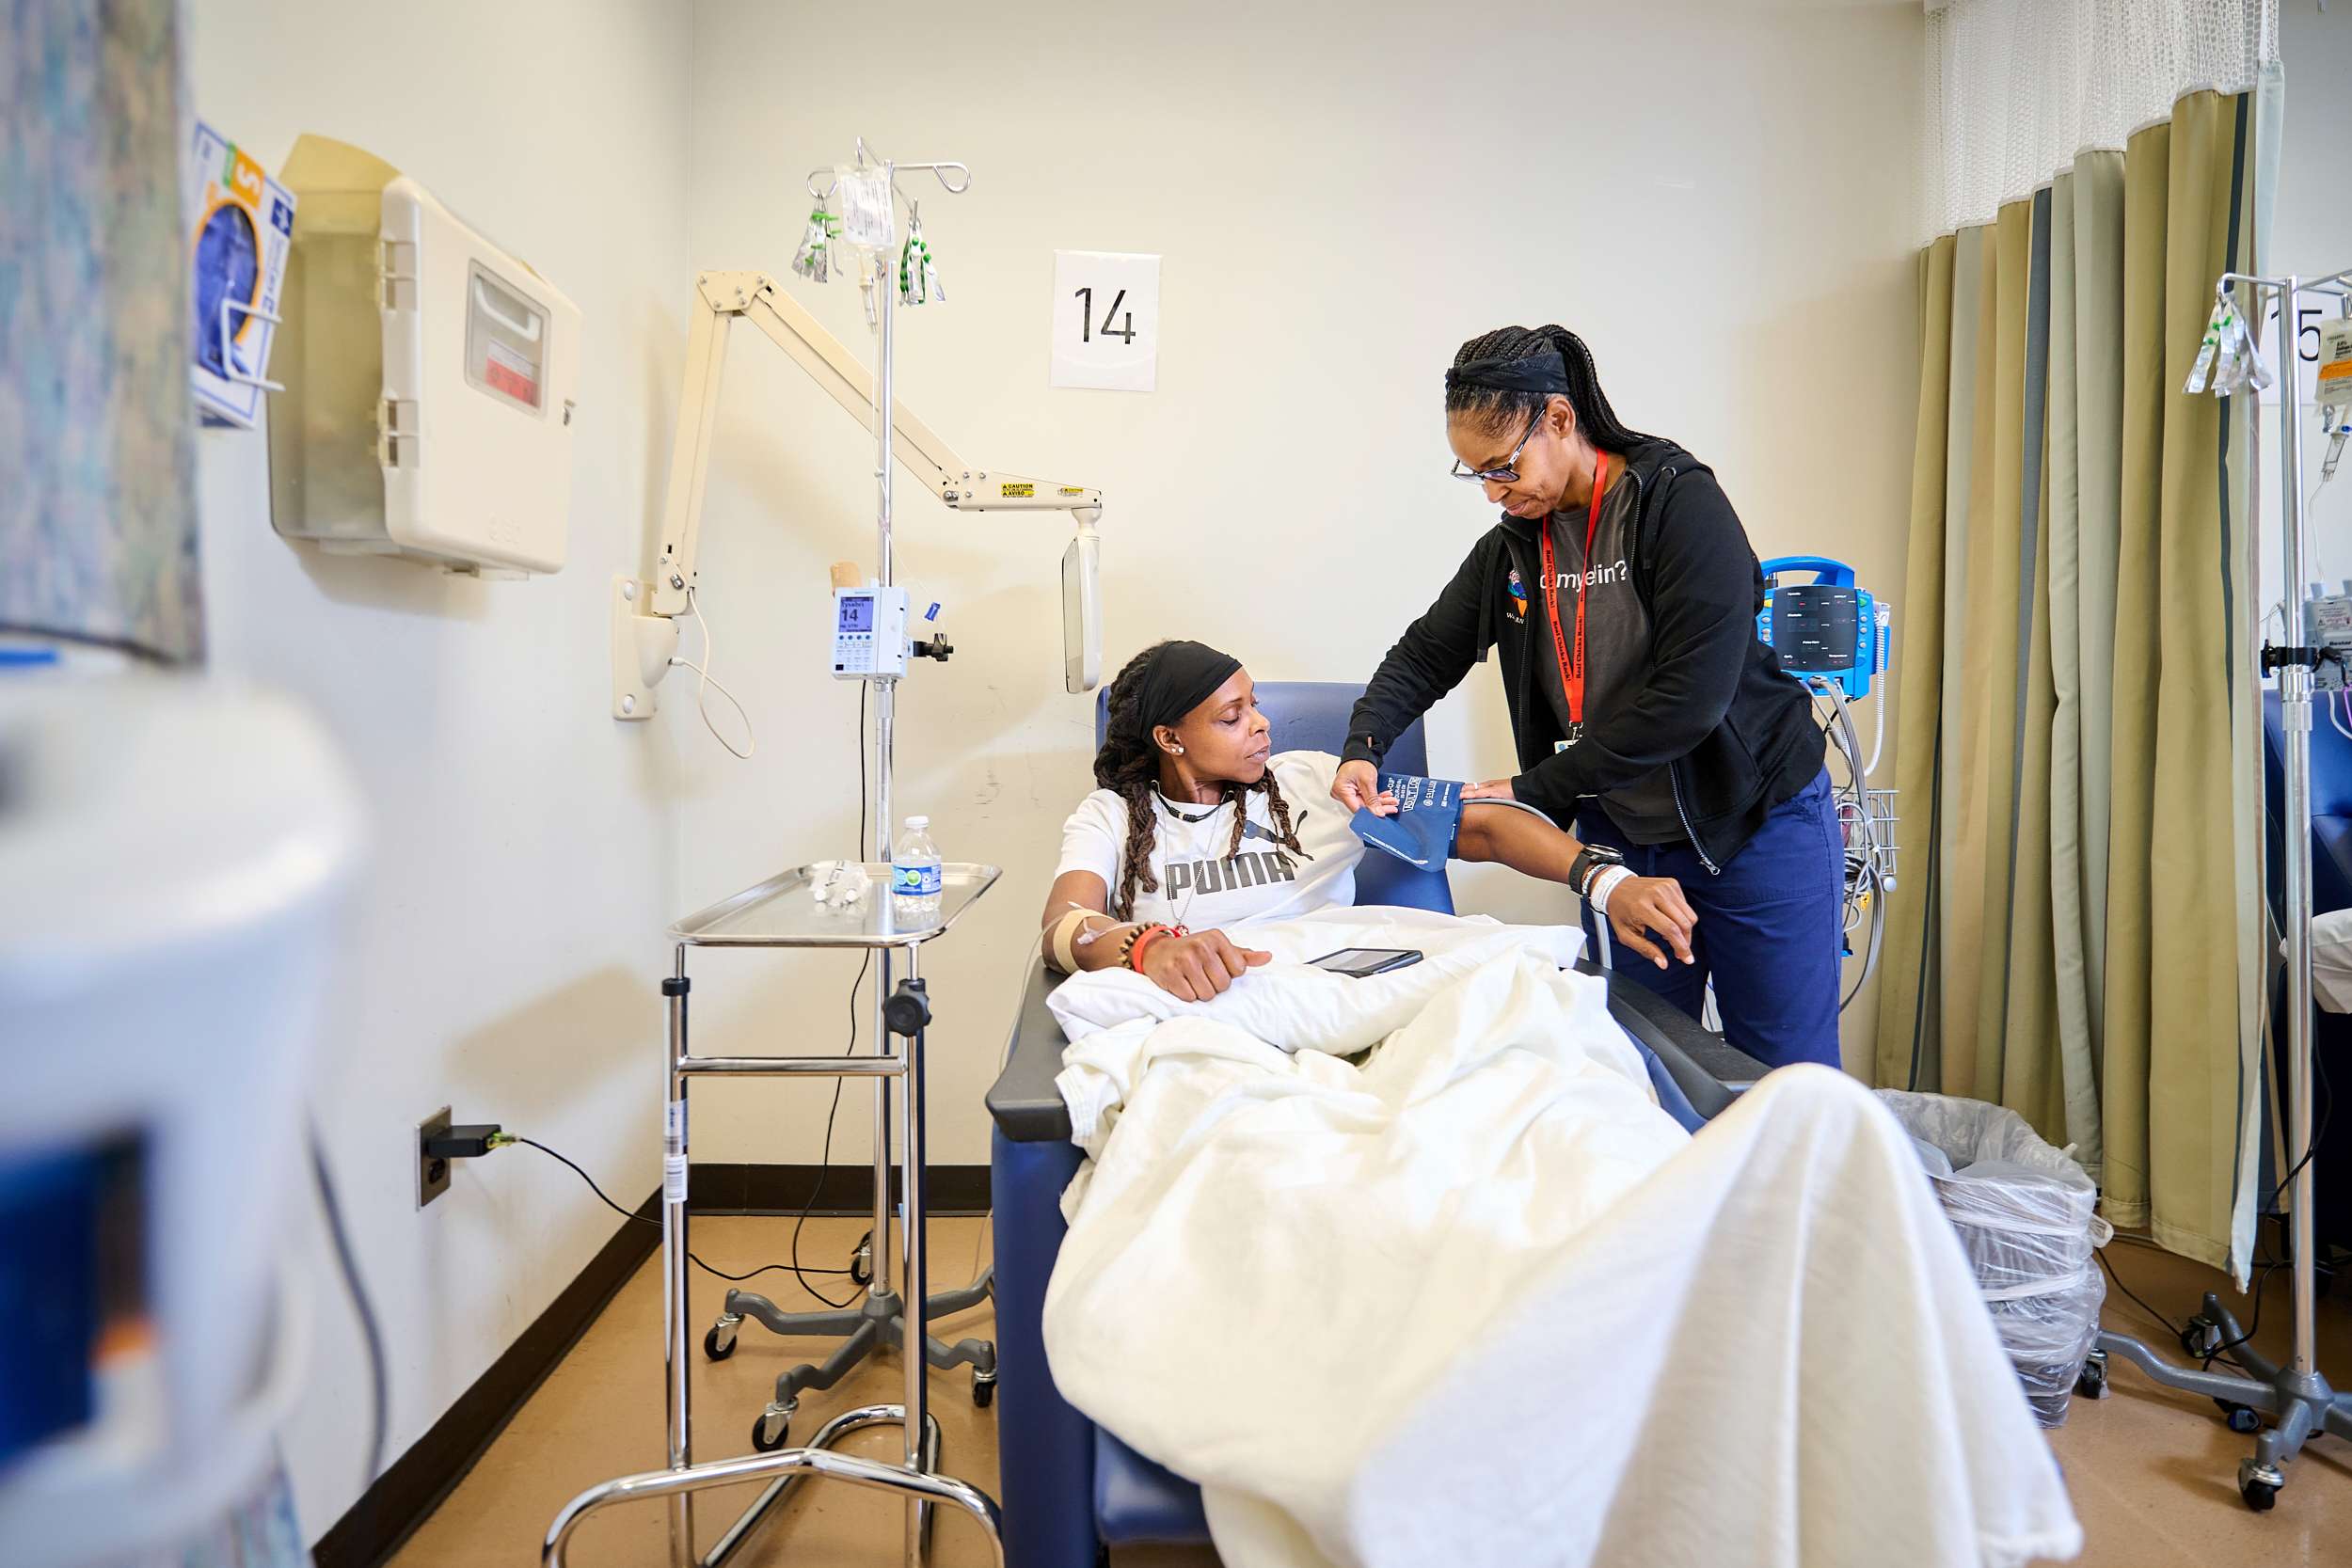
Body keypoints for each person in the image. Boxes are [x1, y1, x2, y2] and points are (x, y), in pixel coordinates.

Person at [1331, 325, 1843, 1069]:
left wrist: (1531, 789)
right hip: (1625, 841)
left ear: (1560, 419)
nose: (1493, 492)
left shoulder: (1676, 504)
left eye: (1503, 467)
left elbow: (1690, 699)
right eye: (1476, 474)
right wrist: (1364, 745)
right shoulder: (1514, 548)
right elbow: (1423, 654)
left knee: (1785, 1075)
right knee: (1644, 1067)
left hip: (1753, 822)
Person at [1040, 640, 1696, 999]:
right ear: (1170, 738)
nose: (1261, 723)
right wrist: (1148, 947)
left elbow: (1483, 825)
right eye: (1232, 717)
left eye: (1255, 705)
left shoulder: (1313, 782)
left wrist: (1606, 881)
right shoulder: (1113, 817)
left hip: (1333, 1000)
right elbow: (1066, 925)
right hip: (1211, 1015)